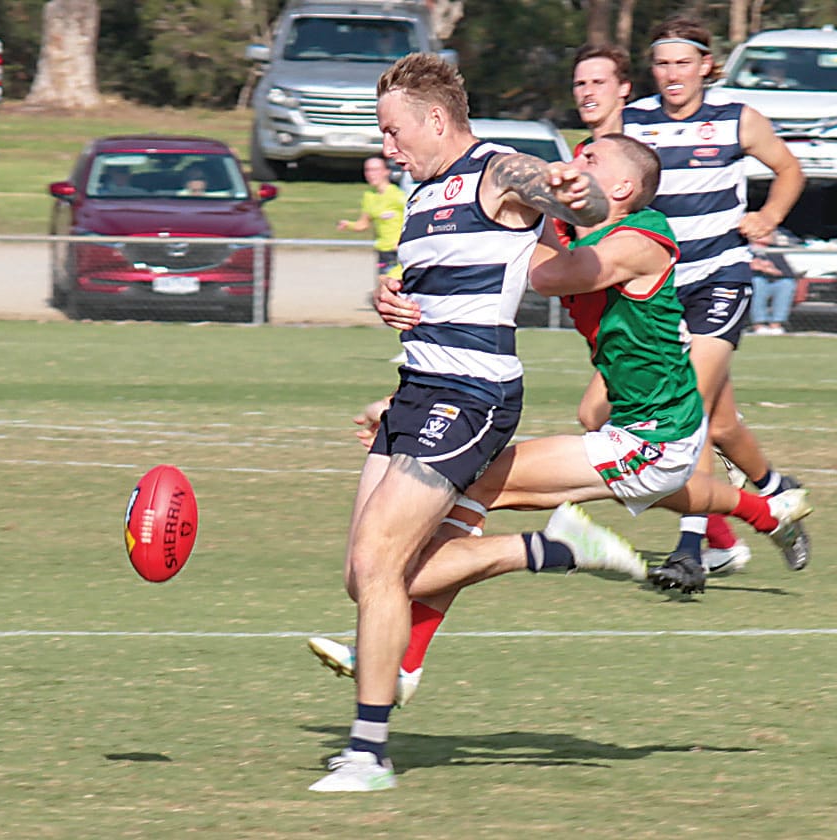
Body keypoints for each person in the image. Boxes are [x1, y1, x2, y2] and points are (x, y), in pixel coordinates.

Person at [308, 133, 813, 744]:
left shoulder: (635, 238)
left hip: (655, 437)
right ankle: (405, 658)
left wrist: (495, 221)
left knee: (467, 495)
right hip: (641, 423)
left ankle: (525, 575)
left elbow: (543, 276)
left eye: (592, 160)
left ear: (622, 189)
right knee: (469, 498)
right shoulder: (589, 232)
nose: (574, 163)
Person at [307, 52, 611, 794]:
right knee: (361, 577)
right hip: (417, 390)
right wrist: (392, 301)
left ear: (436, 119)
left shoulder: (498, 172)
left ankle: (368, 755)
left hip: (472, 397)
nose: (385, 145)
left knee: (381, 562)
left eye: (392, 130)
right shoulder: (421, 194)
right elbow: (431, 290)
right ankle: (552, 545)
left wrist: (576, 191)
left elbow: (585, 206)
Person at [621, 15, 809, 593]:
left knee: (690, 412)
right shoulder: (635, 123)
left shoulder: (735, 119)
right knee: (718, 422)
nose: (672, 74)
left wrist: (769, 217)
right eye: (662, 63)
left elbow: (788, 169)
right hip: (660, 292)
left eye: (684, 62)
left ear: (707, 65)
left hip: (721, 280)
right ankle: (775, 496)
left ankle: (691, 551)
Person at [568, 40, 752, 574]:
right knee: (607, 416)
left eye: (598, 82)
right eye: (580, 83)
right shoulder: (584, 157)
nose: (587, 92)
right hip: (614, 324)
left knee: (687, 414)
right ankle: (765, 501)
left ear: (625, 88)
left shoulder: (642, 146)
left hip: (680, 297)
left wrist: (758, 221)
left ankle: (696, 547)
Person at [337, 155, 407, 282]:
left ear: (386, 172)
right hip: (383, 251)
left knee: (390, 288)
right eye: (368, 170)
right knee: (383, 288)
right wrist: (348, 225)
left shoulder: (397, 196)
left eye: (375, 170)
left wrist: (403, 240)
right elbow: (363, 224)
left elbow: (415, 217)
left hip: (399, 251)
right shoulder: (369, 196)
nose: (371, 174)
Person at [749, 229, 798, 335]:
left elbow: (788, 272)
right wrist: (757, 267)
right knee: (758, 283)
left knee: (787, 284)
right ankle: (759, 324)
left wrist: (770, 269)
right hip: (755, 280)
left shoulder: (774, 251)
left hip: (774, 280)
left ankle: (776, 324)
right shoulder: (745, 250)